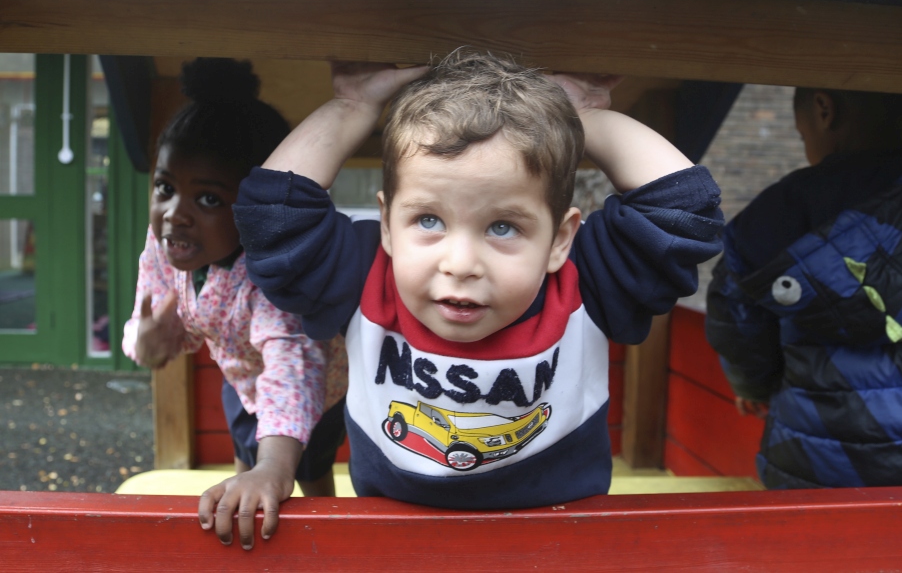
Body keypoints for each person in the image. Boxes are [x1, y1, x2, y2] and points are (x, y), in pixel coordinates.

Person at [234, 51, 723, 509]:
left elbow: (682, 209)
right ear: (387, 226)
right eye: (428, 220)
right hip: (396, 545)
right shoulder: (368, 274)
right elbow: (272, 218)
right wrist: (352, 106)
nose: (461, 263)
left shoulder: (585, 283)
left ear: (559, 240)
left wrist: (584, 117)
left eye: (503, 227)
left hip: (561, 545)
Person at [121, 58, 348, 549]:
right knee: (244, 449)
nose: (174, 214)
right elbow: (161, 319)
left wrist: (273, 469)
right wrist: (149, 341)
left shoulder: (273, 277)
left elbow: (292, 369)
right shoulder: (165, 246)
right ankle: (246, 513)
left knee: (306, 468)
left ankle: (322, 540)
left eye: (207, 199)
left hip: (314, 388)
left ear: (253, 210)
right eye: (165, 187)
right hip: (240, 371)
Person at [706, 86, 902, 489]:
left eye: (800, 134)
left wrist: (753, 385)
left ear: (824, 110)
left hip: (819, 462)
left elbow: (737, 324)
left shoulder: (773, 214)